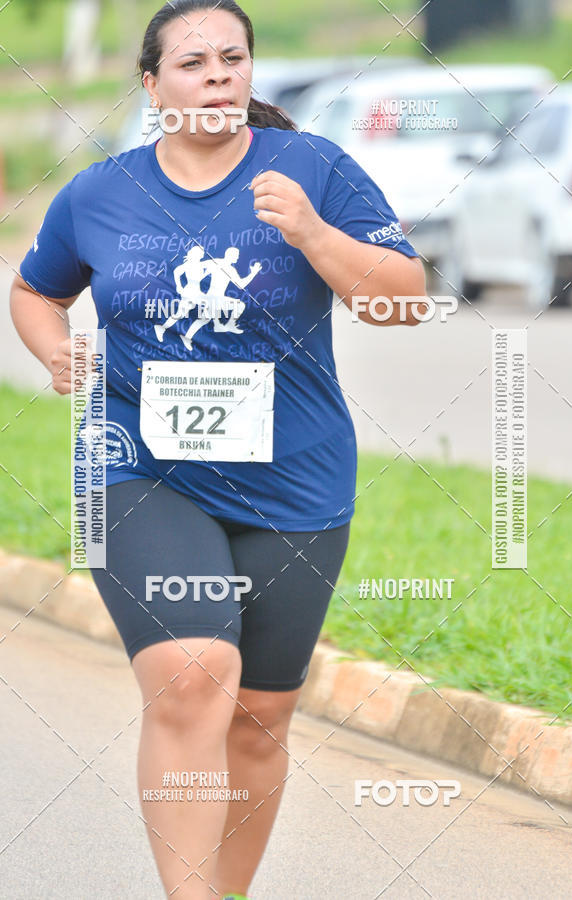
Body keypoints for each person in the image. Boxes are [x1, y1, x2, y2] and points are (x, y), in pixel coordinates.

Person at [9, 1, 427, 897]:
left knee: (261, 716)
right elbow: (35, 291)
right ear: (153, 85)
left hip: (295, 478)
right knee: (197, 674)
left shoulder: (312, 167)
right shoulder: (100, 190)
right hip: (136, 467)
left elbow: (403, 299)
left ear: (250, 72)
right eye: (194, 63)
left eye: (232, 59)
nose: (217, 76)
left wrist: (315, 233)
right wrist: (54, 349)